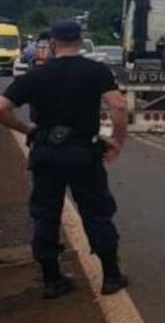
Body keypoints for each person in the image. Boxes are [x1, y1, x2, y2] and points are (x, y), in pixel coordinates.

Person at [0, 20, 129, 298]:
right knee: (96, 212)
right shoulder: (96, 71)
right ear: (81, 40)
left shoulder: (36, 75)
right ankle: (111, 276)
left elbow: (2, 108)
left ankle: (52, 280)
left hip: (46, 152)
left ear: (52, 42)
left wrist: (27, 129)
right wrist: (118, 140)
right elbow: (118, 105)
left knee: (45, 214)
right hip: (83, 152)